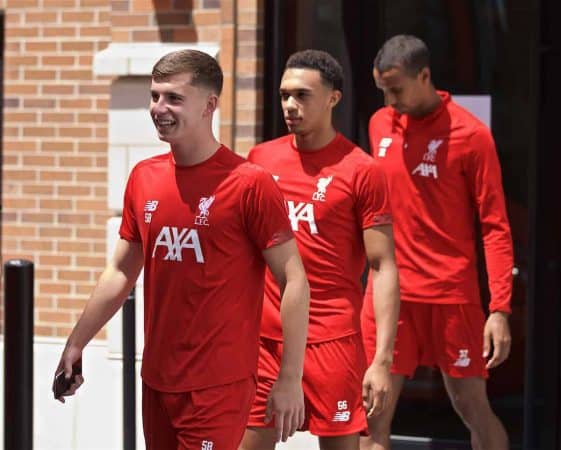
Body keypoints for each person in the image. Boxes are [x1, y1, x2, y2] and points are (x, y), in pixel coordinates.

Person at [52, 49, 310, 450]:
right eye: (155, 96)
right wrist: (77, 341)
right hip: (156, 381)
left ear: (210, 104)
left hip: (218, 386)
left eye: (173, 98)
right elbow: (121, 271)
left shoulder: (250, 184)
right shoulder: (144, 177)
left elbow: (293, 279)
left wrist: (290, 377)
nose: (158, 108)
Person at [239, 49, 400, 450]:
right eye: (284, 95)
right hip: (265, 342)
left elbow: (382, 267)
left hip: (332, 342)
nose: (290, 106)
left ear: (333, 98)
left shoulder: (362, 170)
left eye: (302, 95)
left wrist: (381, 360)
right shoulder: (260, 160)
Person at [360, 35, 513, 450]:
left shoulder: (471, 134)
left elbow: (495, 225)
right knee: (373, 416)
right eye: (382, 90)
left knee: (472, 408)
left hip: (450, 295)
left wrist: (499, 308)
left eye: (396, 89)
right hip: (390, 295)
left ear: (424, 76)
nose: (389, 100)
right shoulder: (380, 125)